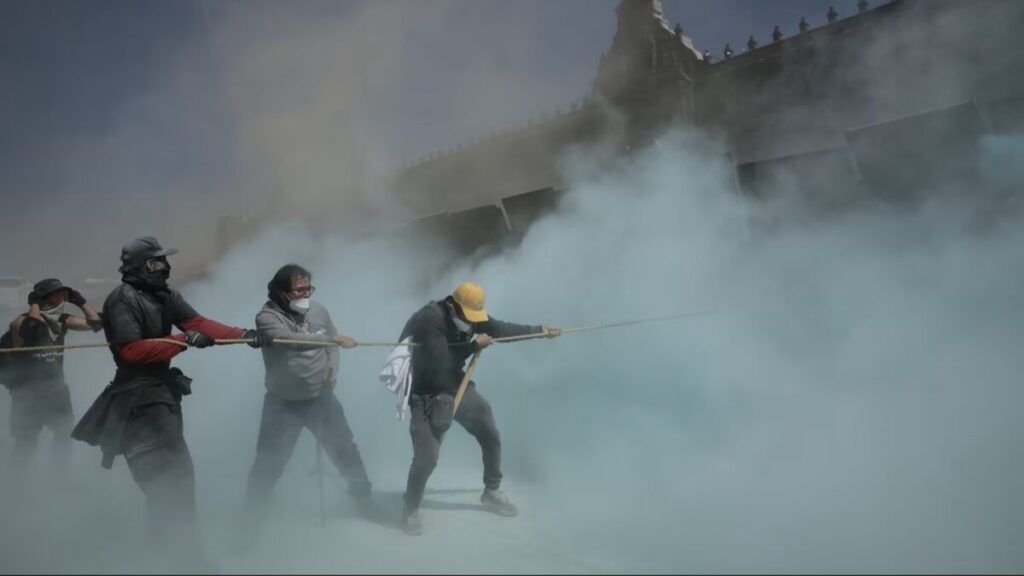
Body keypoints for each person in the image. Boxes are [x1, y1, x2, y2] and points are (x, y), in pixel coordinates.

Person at [71, 236, 266, 569]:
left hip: (160, 394)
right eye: (158, 261)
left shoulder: (164, 294)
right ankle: (181, 561)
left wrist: (243, 335)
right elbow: (131, 351)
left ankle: (174, 557)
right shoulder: (122, 299)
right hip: (138, 400)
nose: (166, 267)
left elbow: (196, 323)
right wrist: (181, 341)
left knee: (177, 478)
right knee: (167, 481)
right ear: (143, 266)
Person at [397, 282, 560, 535]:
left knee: (488, 430)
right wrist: (474, 346)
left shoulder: (470, 316)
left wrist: (539, 330)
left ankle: (492, 491)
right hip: (424, 390)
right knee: (427, 457)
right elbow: (439, 362)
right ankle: (410, 508)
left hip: (453, 384)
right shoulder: (429, 321)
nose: (471, 322)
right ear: (453, 306)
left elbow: (500, 329)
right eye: (467, 316)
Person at [243, 264, 375, 539]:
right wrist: (330, 339)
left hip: (320, 399)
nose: (306, 294)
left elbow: (333, 346)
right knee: (267, 465)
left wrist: (332, 371)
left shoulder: (318, 310)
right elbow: (288, 340)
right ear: (282, 292)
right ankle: (250, 523)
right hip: (283, 404)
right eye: (300, 290)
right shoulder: (267, 317)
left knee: (346, 452)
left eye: (309, 289)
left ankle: (365, 501)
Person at [5, 278, 101, 468]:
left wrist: (80, 301)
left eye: (62, 294)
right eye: (54, 294)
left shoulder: (63, 320)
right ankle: (18, 479)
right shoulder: (21, 321)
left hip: (56, 390)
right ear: (42, 297)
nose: (60, 298)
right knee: (26, 440)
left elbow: (96, 324)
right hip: (27, 392)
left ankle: (59, 475)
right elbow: (32, 329)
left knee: (64, 434)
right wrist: (34, 304)